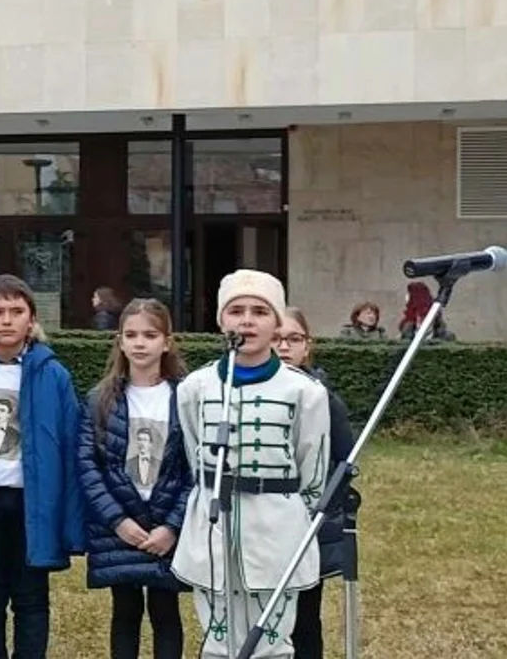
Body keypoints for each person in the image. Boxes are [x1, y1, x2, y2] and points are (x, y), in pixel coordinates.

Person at [172, 271, 330, 659]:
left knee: (271, 643)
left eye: (260, 311)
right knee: (218, 639)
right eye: (236, 310)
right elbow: (195, 450)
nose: (247, 320)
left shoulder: (304, 392)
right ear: (221, 320)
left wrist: (289, 513)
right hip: (212, 526)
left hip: (276, 525)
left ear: (276, 323)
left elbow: (313, 463)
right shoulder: (196, 387)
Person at [0, 274, 85, 659]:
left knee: (31, 599)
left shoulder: (53, 374)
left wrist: (70, 521)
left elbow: (72, 445)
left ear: (31, 318)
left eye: (16, 311)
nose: (7, 320)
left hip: (33, 503)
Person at [79, 299, 192, 659]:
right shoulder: (100, 400)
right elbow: (88, 466)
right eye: (132, 335)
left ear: (167, 342)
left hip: (166, 524)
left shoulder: (187, 397)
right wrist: (117, 520)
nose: (140, 343)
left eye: (150, 334)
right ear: (120, 341)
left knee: (166, 612)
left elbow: (198, 468)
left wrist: (173, 525)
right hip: (120, 526)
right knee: (125, 612)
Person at [274, 308, 358, 659]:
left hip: (307, 525)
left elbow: (345, 461)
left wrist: (320, 511)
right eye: (277, 338)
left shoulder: (324, 399)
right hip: (258, 522)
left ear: (308, 347)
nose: (284, 347)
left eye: (293, 339)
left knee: (305, 618)